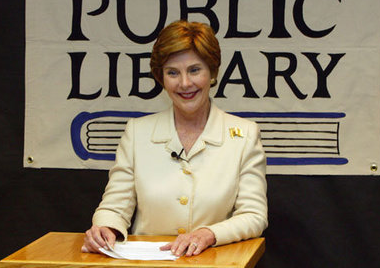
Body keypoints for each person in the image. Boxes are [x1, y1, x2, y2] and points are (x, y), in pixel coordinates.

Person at [82, 20, 267, 257]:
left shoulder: (245, 134)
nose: (185, 83)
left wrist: (208, 234)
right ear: (161, 78)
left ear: (212, 72)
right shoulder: (137, 132)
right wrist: (105, 228)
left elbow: (254, 215)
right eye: (172, 73)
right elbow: (114, 206)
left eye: (194, 70)